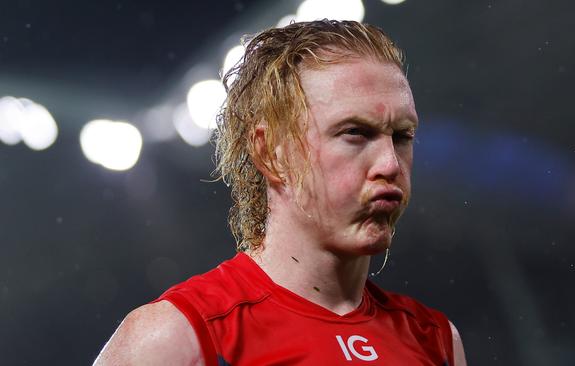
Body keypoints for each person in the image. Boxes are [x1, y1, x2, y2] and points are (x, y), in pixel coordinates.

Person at [94, 20, 467, 366]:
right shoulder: (175, 339)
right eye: (355, 132)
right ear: (270, 151)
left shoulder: (436, 340)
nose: (390, 164)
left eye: (402, 137)